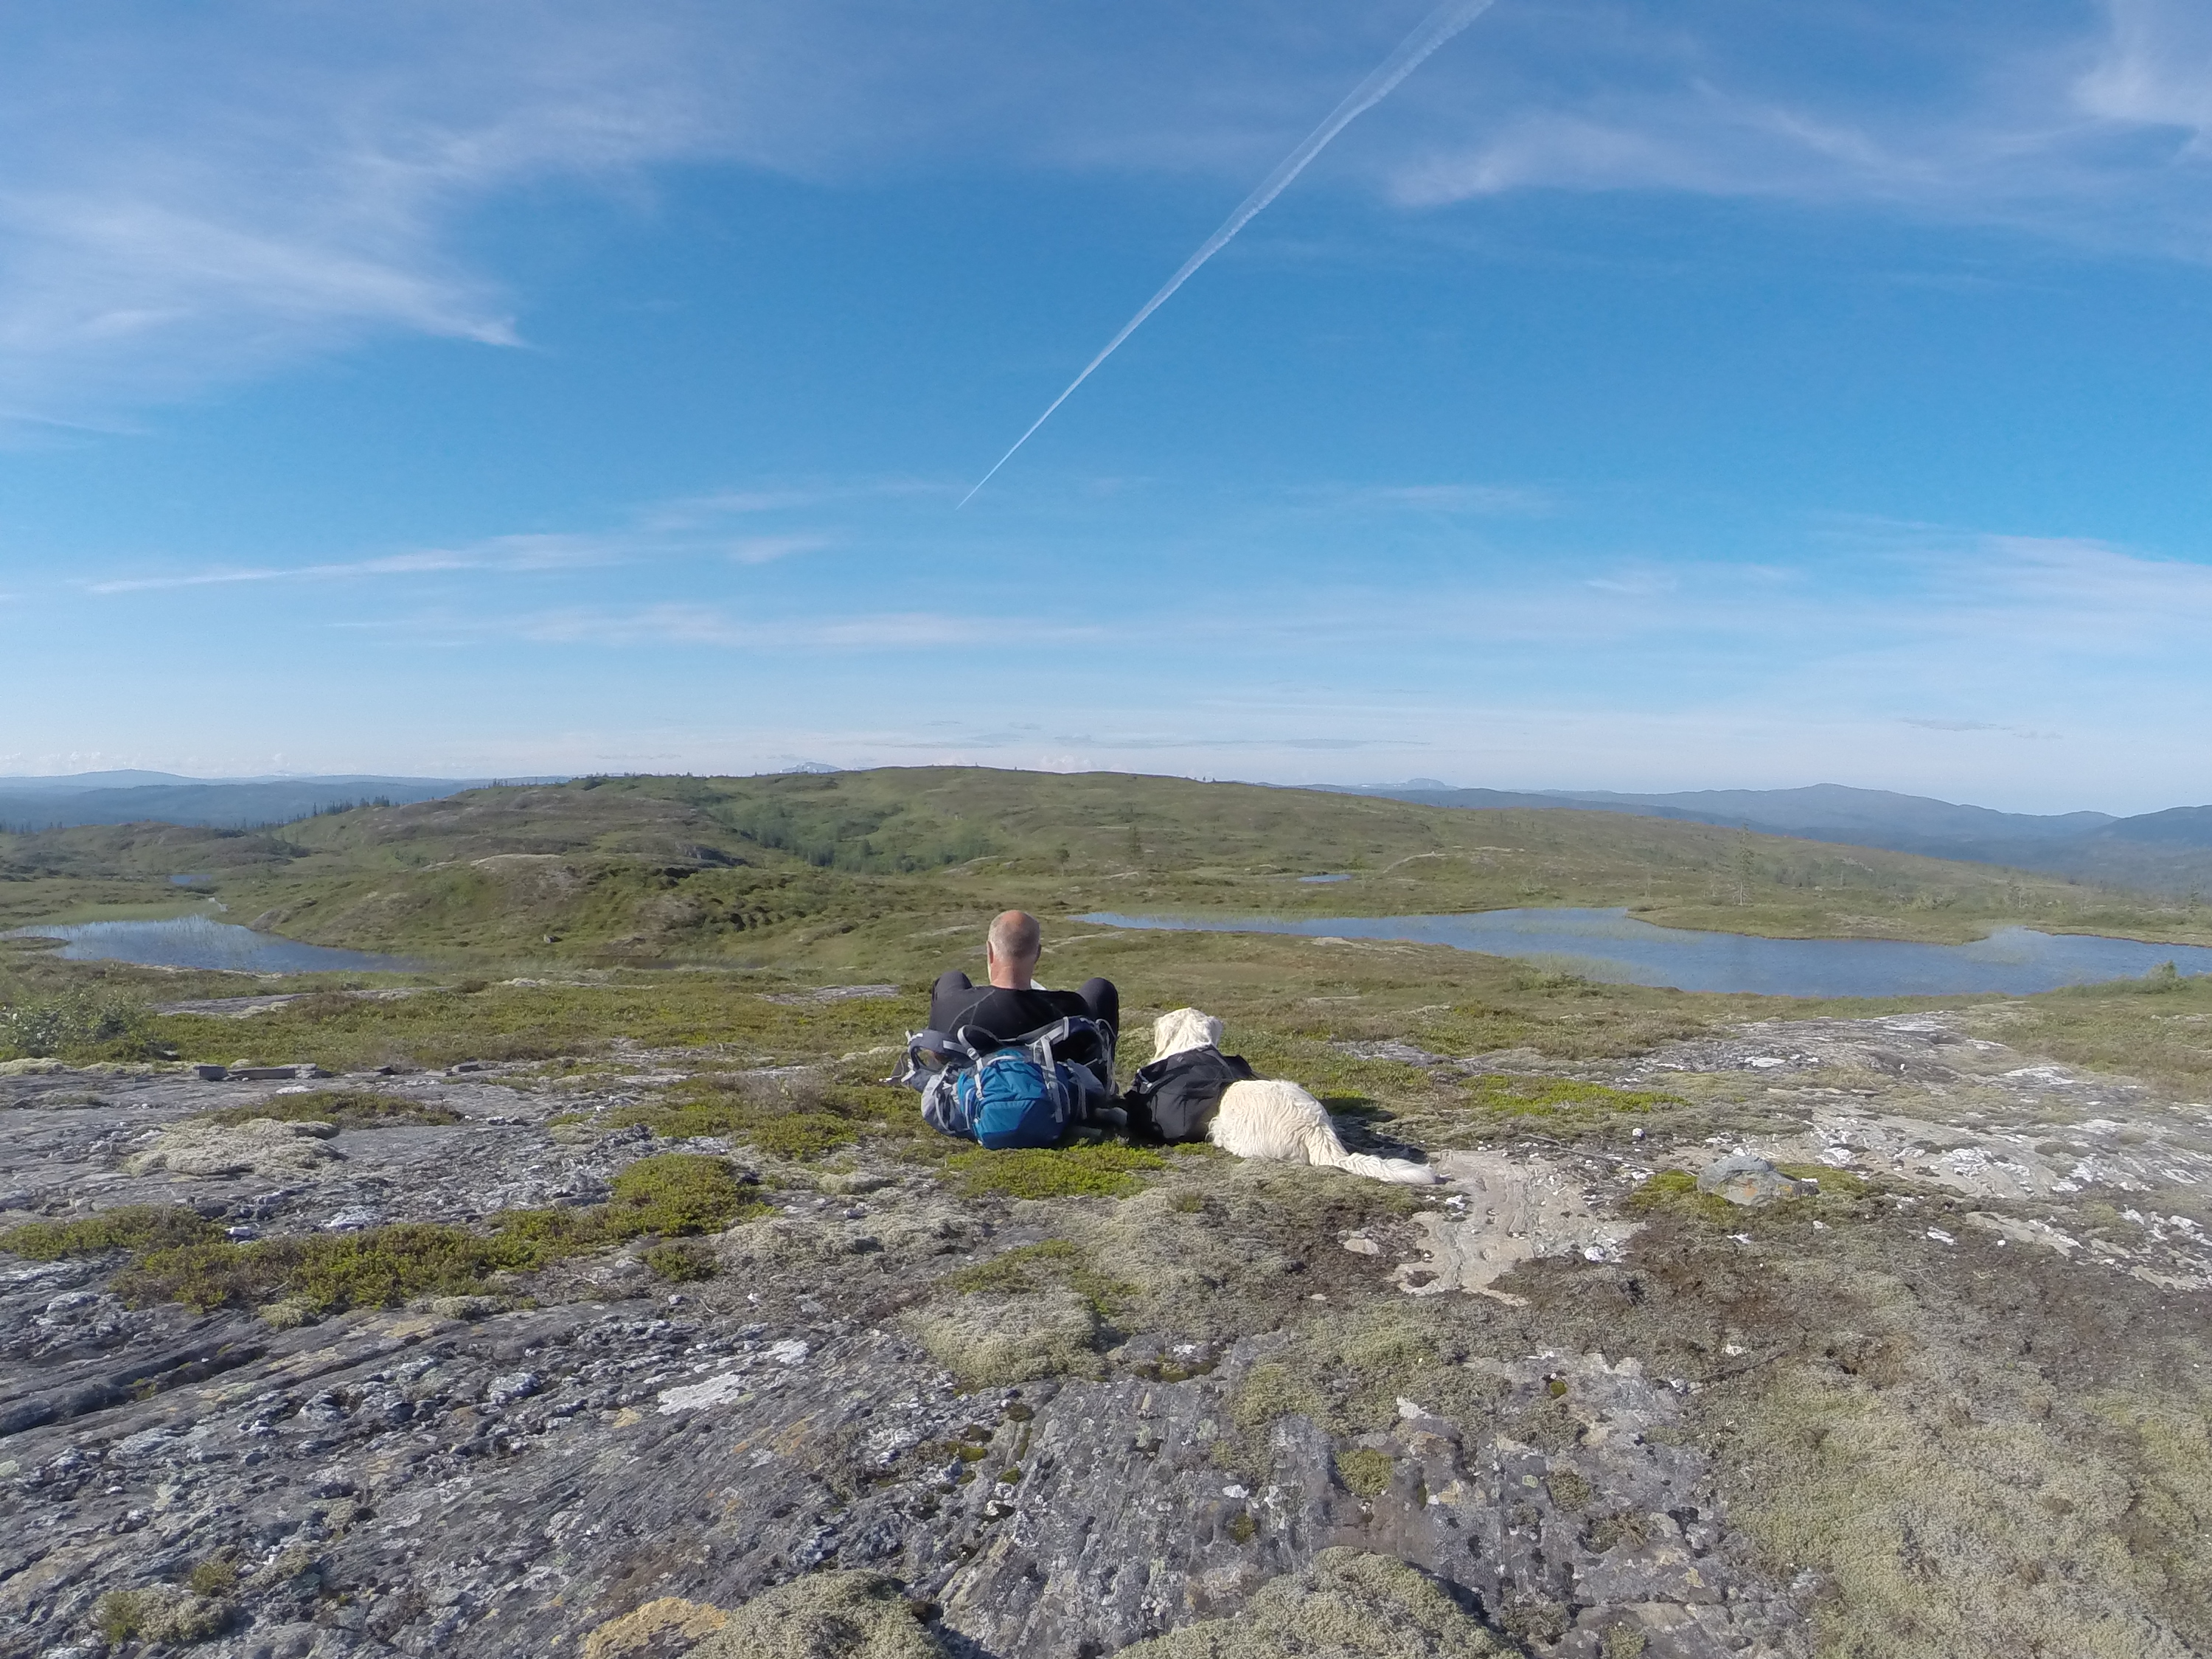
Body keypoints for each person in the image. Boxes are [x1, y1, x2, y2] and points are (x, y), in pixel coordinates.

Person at [930, 910, 1119, 1044]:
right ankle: (1106, 1083)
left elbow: (936, 1054)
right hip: (1051, 1087)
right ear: (1038, 954)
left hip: (970, 1087)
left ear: (989, 951)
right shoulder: (1072, 1009)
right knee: (1100, 988)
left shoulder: (950, 1006)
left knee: (951, 978)